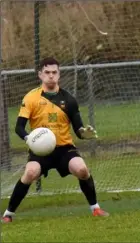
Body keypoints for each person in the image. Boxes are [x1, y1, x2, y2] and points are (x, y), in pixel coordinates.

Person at [2, 57, 109, 223]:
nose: (50, 76)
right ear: (40, 74)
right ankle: (8, 214)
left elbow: (78, 130)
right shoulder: (31, 98)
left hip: (64, 148)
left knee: (82, 170)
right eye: (47, 72)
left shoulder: (69, 100)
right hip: (40, 150)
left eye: (54, 72)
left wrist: (84, 133)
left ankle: (95, 208)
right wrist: (28, 139)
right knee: (30, 173)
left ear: (59, 75)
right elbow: (19, 127)